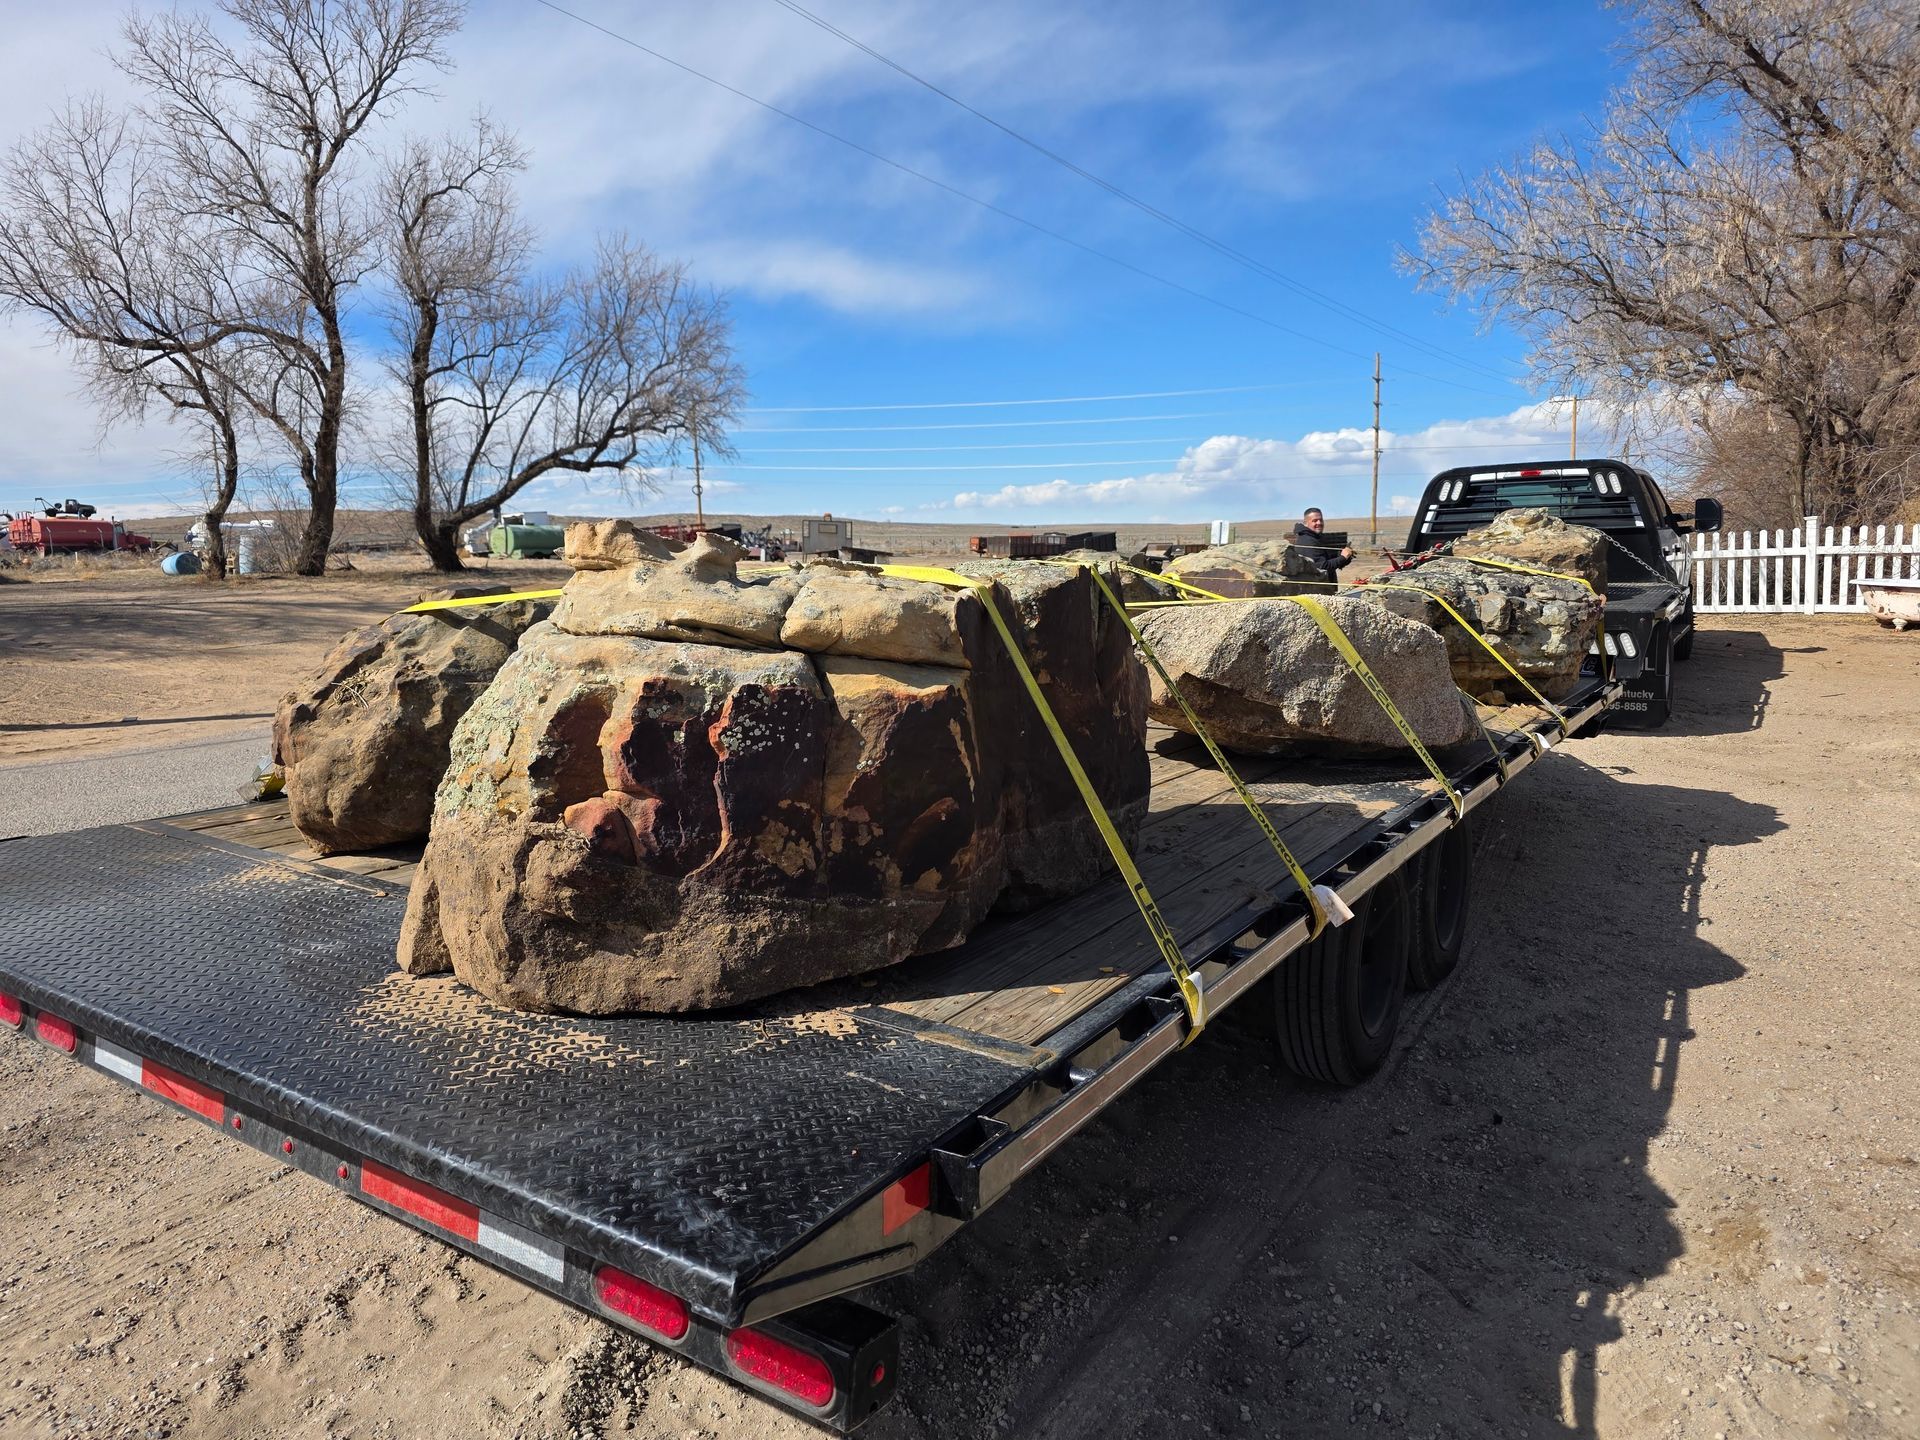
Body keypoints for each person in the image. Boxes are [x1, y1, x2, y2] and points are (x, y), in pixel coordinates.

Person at [1291, 507, 1354, 586]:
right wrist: (1343, 557)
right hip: (1317, 589)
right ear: (1306, 523)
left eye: (1321, 520)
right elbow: (1322, 566)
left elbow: (1326, 559)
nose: (1319, 523)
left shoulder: (1315, 537)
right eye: (1314, 520)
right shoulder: (1308, 541)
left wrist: (1344, 557)